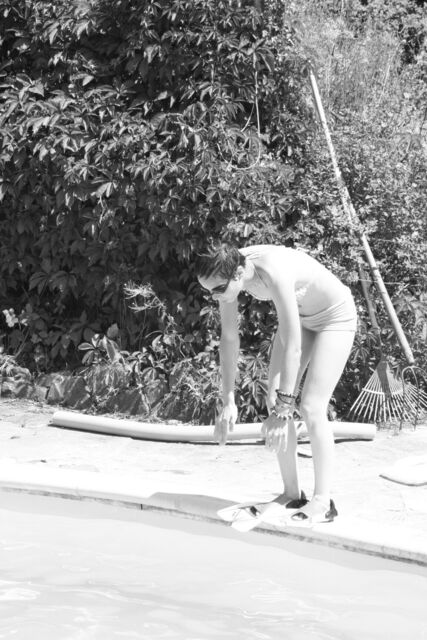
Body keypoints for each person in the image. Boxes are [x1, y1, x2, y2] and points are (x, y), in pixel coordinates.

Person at [196, 243, 357, 525]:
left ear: (239, 274)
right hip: (302, 319)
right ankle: (292, 494)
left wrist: (285, 409)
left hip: (334, 317)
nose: (215, 296)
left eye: (218, 290)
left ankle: (323, 502)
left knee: (310, 406)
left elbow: (293, 347)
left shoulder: (274, 270)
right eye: (209, 292)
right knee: (274, 399)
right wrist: (228, 399)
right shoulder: (227, 273)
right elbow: (229, 338)